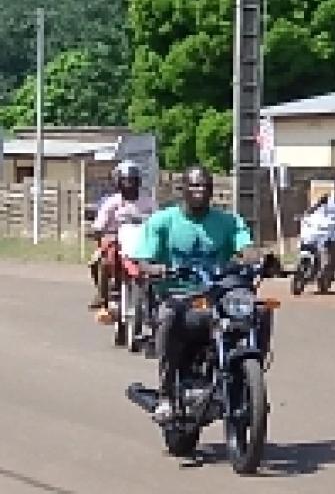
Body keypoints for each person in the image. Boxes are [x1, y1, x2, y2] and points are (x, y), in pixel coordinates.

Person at [131, 166, 258, 424]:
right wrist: (154, 268)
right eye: (195, 186)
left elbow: (246, 246)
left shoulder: (228, 221)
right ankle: (166, 396)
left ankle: (247, 379)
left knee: (260, 310)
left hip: (218, 294)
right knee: (168, 318)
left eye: (205, 186)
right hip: (177, 295)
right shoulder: (162, 221)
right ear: (183, 190)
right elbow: (142, 260)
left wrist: (256, 259)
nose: (200, 191)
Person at [88, 161, 157, 311]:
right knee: (99, 261)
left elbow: (157, 220)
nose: (129, 184)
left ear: (138, 181)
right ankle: (103, 294)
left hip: (141, 241)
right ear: (118, 182)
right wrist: (98, 231)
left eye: (132, 180)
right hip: (115, 240)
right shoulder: (112, 202)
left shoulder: (148, 201)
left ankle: (155, 297)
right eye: (125, 180)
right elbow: (100, 223)